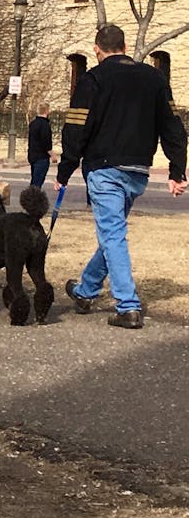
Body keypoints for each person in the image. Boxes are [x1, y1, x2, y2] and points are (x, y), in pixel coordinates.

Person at [58, 24, 187, 329]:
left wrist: (65, 169)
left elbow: (77, 128)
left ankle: (128, 306)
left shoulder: (93, 79)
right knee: (110, 232)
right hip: (138, 168)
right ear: (126, 46)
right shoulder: (155, 78)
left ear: (97, 49)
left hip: (104, 167)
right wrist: (176, 169)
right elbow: (172, 126)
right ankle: (85, 291)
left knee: (112, 234)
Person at [27, 103, 54, 189]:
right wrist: (52, 155)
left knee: (34, 180)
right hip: (41, 156)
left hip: (32, 155)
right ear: (47, 111)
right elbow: (46, 142)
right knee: (38, 182)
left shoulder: (33, 123)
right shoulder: (45, 125)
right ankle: (33, 199)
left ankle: (30, 198)